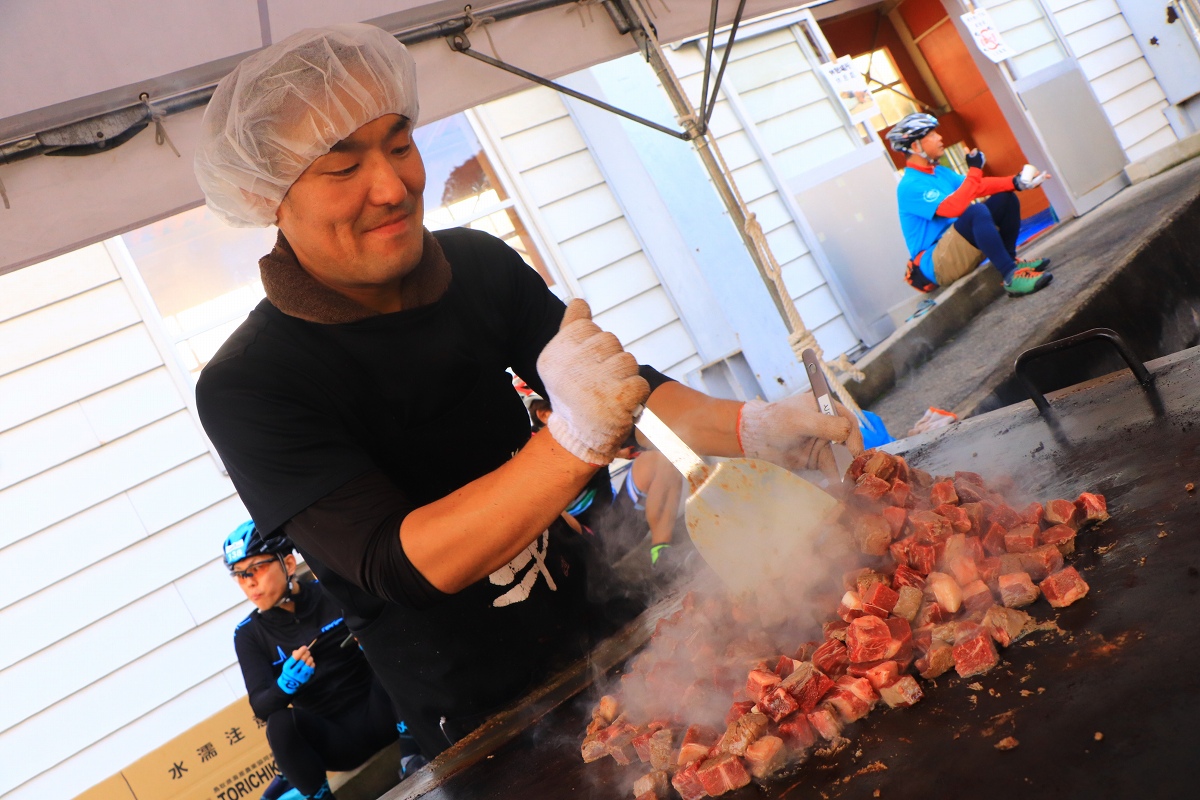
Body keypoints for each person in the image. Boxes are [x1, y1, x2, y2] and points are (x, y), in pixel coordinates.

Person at [193, 22, 863, 757]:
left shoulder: (474, 265)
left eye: (398, 142)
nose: (392, 186)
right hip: (486, 716)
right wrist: (572, 443)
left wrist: (752, 427)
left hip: (615, 626)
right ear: (268, 195)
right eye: (342, 166)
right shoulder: (251, 383)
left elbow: (620, 390)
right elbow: (402, 561)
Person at [223, 522, 424, 799]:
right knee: (279, 722)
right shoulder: (248, 634)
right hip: (335, 741)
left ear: (289, 563)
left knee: (390, 644)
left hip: (383, 713)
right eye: (239, 576)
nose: (249, 583)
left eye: (255, 569)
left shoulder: (330, 591)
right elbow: (261, 705)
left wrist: (369, 641)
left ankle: (412, 757)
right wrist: (285, 685)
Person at [519, 381, 684, 574]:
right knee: (553, 515)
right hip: (591, 547)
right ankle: (603, 579)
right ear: (544, 415)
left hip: (620, 522)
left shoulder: (584, 430)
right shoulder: (533, 454)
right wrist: (607, 453)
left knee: (660, 460)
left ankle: (661, 552)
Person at [888, 112, 1054, 298]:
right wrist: (975, 169)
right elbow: (952, 208)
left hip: (956, 247)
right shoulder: (910, 185)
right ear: (915, 146)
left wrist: (1016, 182)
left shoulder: (939, 172)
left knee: (1005, 198)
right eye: (932, 135)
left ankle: (1011, 262)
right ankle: (1011, 277)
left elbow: (976, 186)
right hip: (937, 264)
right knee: (976, 211)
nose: (940, 137)